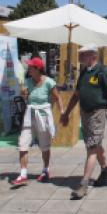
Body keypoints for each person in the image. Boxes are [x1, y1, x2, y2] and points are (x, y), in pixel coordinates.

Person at [60, 44, 107, 199]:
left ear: (93, 55)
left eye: (83, 54)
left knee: (92, 147)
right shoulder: (84, 72)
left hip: (97, 113)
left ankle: (84, 184)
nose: (80, 56)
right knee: (95, 144)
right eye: (80, 54)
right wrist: (66, 113)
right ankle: (105, 170)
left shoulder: (103, 71)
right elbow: (76, 95)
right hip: (84, 113)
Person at [11, 57, 64, 186]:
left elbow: (58, 98)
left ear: (38, 69)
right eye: (28, 67)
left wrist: (62, 112)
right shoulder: (28, 81)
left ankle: (45, 170)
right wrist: (24, 95)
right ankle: (23, 174)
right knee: (22, 144)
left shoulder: (49, 82)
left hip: (44, 117)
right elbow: (26, 97)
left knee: (45, 146)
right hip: (30, 116)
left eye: (31, 67)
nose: (28, 69)